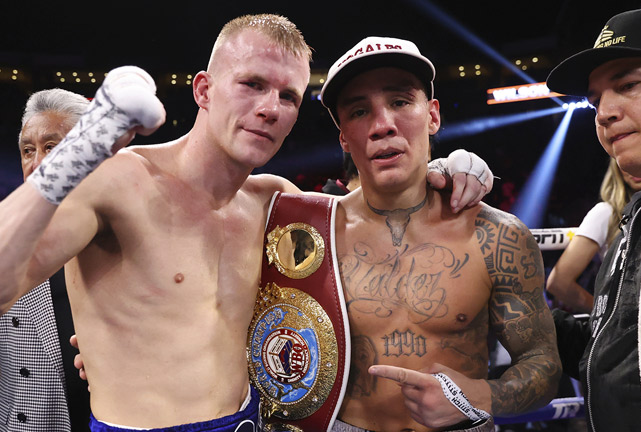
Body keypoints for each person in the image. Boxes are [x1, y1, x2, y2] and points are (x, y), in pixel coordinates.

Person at [0, 15, 492, 431]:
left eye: (289, 96)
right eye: (252, 84)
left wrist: (442, 173)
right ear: (204, 89)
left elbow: (378, 217)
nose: (269, 109)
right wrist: (83, 148)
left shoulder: (274, 202)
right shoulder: (119, 181)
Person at [316, 36, 561, 432]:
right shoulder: (312, 234)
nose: (382, 125)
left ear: (432, 115)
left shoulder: (497, 236)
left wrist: (477, 397)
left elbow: (543, 363)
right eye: (360, 111)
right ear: (344, 137)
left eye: (399, 102)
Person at [546, 6, 641, 431]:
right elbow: (617, 363)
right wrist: (517, 308)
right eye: (594, 101)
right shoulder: (638, 216)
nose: (603, 112)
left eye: (628, 84)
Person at [1, 89, 92, 431]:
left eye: (52, 147)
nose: (37, 163)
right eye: (28, 150)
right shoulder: (7, 242)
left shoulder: (138, 236)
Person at [546, 157, 641, 313]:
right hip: (633, 328)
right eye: (625, 160)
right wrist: (607, 315)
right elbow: (559, 282)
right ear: (616, 167)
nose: (633, 167)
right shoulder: (606, 213)